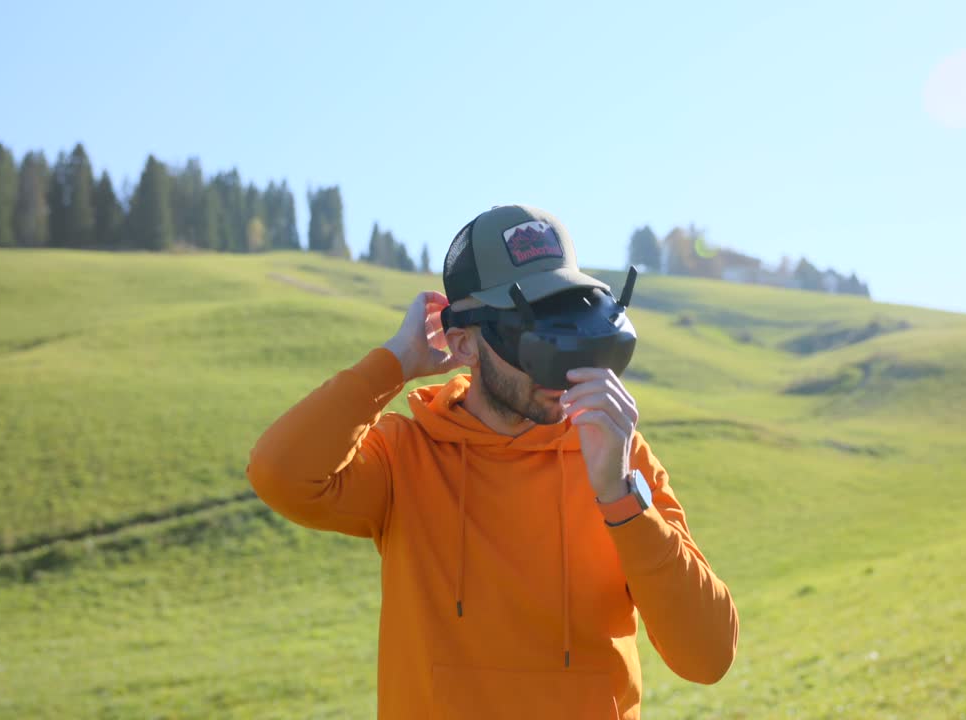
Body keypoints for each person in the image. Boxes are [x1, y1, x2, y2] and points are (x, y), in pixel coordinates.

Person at [247, 205, 738, 719]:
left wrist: (618, 495)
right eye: (528, 330)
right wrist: (394, 362)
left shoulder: (619, 455)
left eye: (569, 318)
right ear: (464, 343)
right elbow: (279, 473)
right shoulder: (405, 456)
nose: (558, 354)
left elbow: (707, 657)